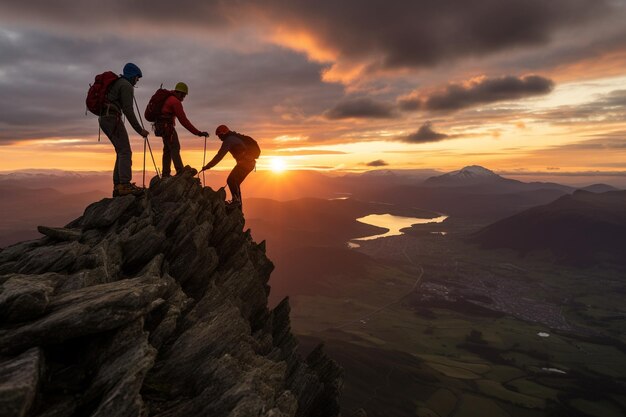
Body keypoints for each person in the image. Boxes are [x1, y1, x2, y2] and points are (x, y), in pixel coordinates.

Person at [99, 63, 150, 197]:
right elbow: (128, 110)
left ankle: (118, 185)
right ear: (133, 76)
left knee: (120, 151)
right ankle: (124, 185)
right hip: (112, 118)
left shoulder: (119, 83)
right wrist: (140, 130)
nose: (137, 80)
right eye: (137, 78)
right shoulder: (126, 86)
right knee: (125, 151)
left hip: (105, 118)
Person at [155, 82, 208, 177]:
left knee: (167, 149)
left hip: (161, 126)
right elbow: (184, 121)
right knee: (175, 147)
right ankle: (180, 171)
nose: (183, 98)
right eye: (183, 95)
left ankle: (165, 174)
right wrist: (198, 133)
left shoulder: (168, 98)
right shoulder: (175, 102)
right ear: (178, 93)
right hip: (168, 128)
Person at [201, 125, 258, 209]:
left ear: (224, 133)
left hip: (245, 163)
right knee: (235, 182)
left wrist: (208, 166)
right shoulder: (233, 137)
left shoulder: (229, 140)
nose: (219, 138)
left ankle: (236, 202)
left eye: (220, 135)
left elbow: (219, 156)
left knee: (231, 180)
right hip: (250, 163)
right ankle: (238, 207)